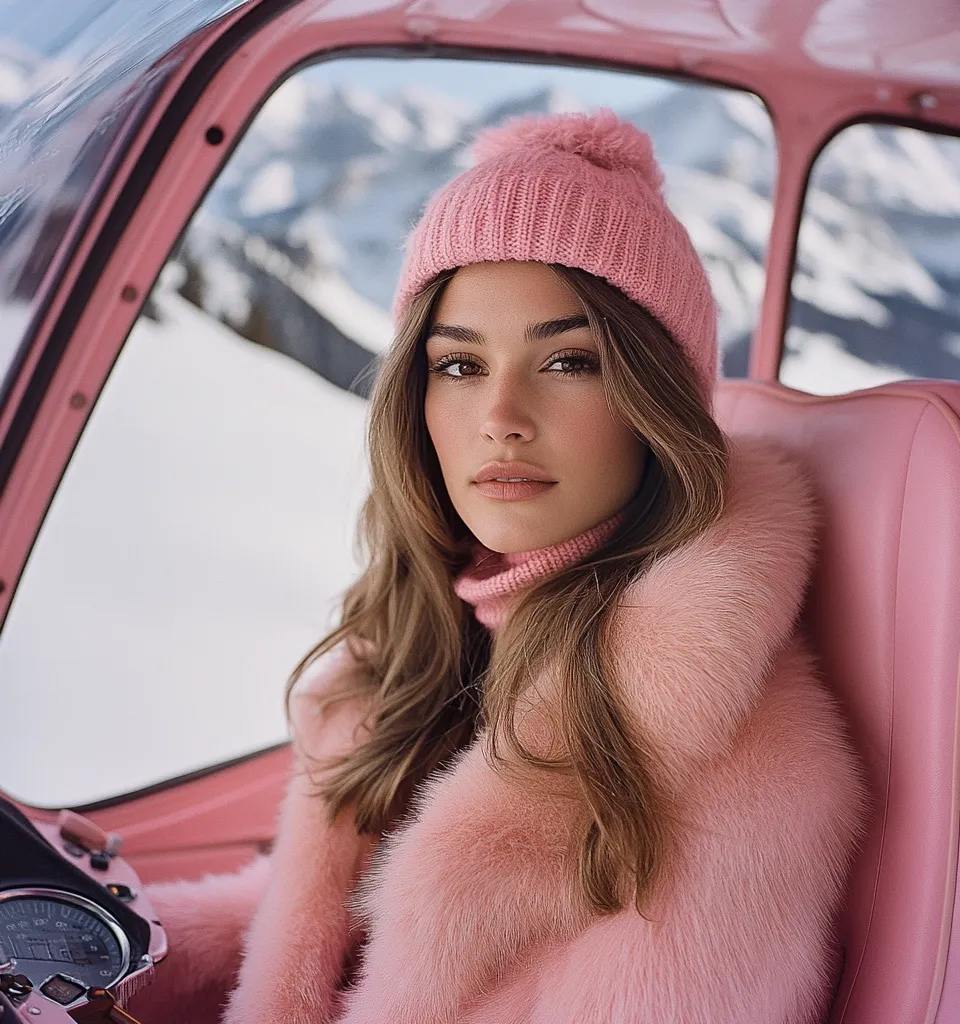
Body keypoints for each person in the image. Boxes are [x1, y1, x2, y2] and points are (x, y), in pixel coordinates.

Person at [130, 109, 867, 1024]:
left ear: (656, 401)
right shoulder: (449, 637)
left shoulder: (740, 783)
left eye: (567, 360)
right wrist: (129, 939)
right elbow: (346, 924)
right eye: (460, 365)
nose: (501, 416)